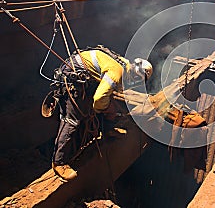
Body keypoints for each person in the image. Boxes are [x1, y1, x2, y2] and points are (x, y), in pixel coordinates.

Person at [50, 46, 153, 181]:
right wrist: (105, 108)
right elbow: (99, 99)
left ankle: (107, 130)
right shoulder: (117, 72)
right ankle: (59, 162)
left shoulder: (125, 64)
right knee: (72, 121)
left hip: (87, 76)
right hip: (72, 78)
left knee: (107, 102)